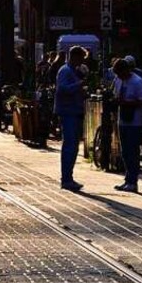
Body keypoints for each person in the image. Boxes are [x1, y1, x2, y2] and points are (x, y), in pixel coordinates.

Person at [54, 46, 88, 192]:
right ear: (74, 56)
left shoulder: (73, 71)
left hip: (74, 111)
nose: (82, 62)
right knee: (70, 145)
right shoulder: (66, 71)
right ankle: (66, 178)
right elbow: (62, 89)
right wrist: (80, 85)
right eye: (81, 58)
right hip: (68, 111)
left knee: (73, 145)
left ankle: (68, 177)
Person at [113, 58, 142, 192]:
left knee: (133, 151)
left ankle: (133, 181)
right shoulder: (118, 80)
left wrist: (127, 103)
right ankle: (128, 179)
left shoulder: (137, 82)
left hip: (135, 121)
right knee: (125, 152)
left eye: (120, 74)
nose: (119, 77)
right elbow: (116, 94)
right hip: (122, 119)